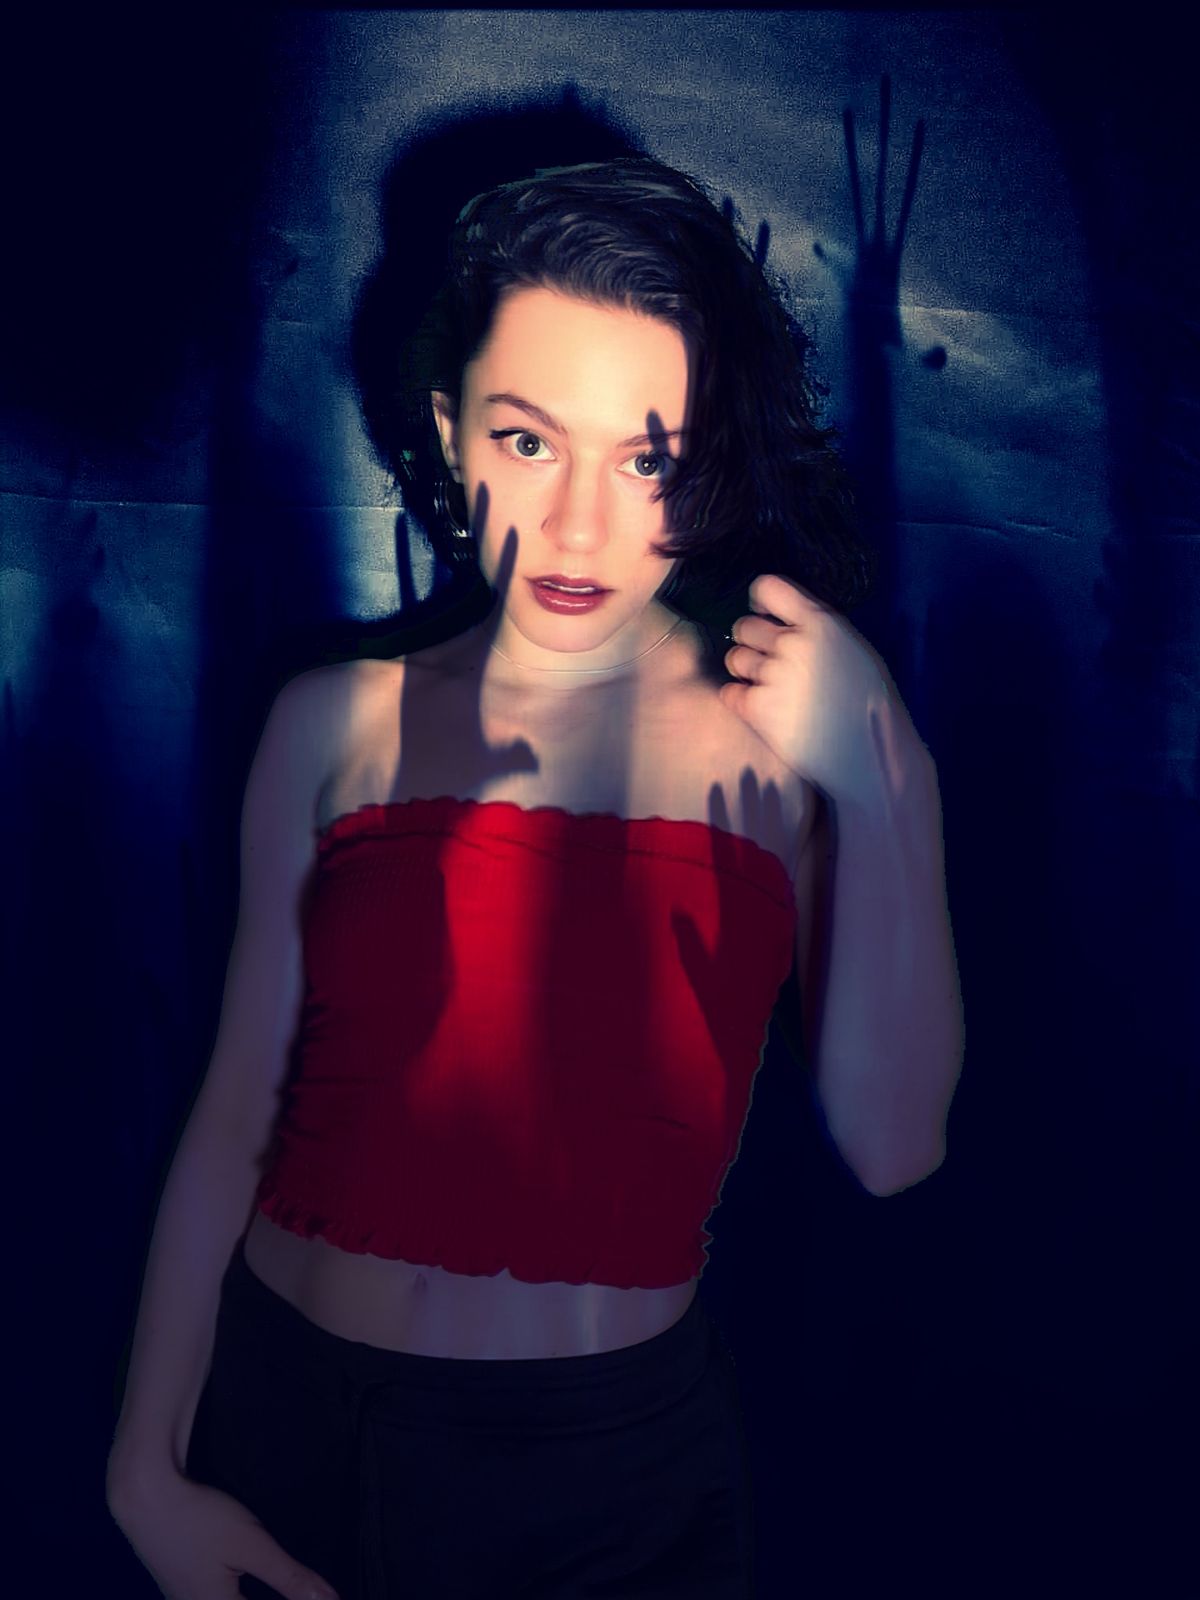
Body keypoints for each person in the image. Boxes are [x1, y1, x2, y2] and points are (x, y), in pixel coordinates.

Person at [106, 155, 959, 1599]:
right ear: (450, 434)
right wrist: (144, 1474)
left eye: (647, 461)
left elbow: (893, 1147)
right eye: (527, 440)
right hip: (282, 1425)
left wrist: (888, 769)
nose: (577, 528)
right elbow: (235, 1115)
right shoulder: (332, 723)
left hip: (604, 1492)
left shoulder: (784, 746)